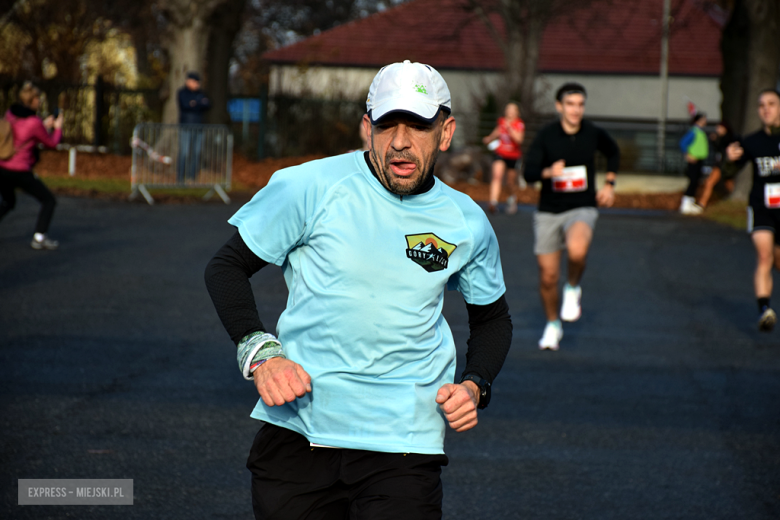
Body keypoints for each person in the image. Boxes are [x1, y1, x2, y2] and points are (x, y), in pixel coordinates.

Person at [204, 60, 512, 519]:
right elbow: (226, 267)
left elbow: (492, 318)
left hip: (405, 445)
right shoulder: (308, 186)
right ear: (368, 127)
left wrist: (474, 386)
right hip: (299, 430)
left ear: (445, 133)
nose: (401, 142)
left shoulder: (466, 219)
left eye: (420, 125)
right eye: (388, 124)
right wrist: (260, 353)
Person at [523, 82, 619, 350]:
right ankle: (553, 325)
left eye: (580, 104)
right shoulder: (546, 136)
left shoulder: (592, 133)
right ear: (559, 106)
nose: (576, 110)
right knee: (548, 277)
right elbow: (528, 173)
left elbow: (613, 152)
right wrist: (548, 173)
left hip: (582, 206)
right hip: (549, 211)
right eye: (570, 104)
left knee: (577, 250)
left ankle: (573, 287)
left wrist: (610, 184)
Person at [724, 88, 780, 332]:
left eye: (771, 104)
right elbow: (729, 172)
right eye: (761, 105)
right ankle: (764, 310)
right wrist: (729, 159)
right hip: (761, 207)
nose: (765, 109)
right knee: (764, 256)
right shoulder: (752, 141)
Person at [0, 81, 63, 250]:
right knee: (49, 200)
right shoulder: (34, 122)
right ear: (33, 101)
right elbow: (51, 143)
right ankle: (40, 236)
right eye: (38, 98)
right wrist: (57, 128)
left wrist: (43, 125)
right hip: (19, 170)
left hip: (2, 167)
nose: (40, 101)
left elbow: (21, 132)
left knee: (8, 201)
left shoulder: (11, 113)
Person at [482, 102, 525, 214]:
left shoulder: (519, 124)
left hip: (513, 156)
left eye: (512, 110)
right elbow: (498, 131)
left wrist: (510, 128)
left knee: (510, 182)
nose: (509, 112)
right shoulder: (501, 121)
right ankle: (493, 202)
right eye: (508, 109)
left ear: (517, 113)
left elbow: (519, 140)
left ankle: (512, 198)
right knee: (497, 176)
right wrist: (489, 138)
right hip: (501, 153)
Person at [177, 71, 210, 182]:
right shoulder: (182, 93)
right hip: (186, 127)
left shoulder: (201, 93)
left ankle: (192, 177)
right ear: (188, 81)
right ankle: (180, 178)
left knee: (196, 153)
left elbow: (207, 104)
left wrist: (195, 103)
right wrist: (198, 103)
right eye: (194, 82)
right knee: (185, 152)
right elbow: (186, 105)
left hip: (199, 127)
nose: (197, 84)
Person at [698, 121, 735, 208]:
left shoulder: (727, 138)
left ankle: (702, 203)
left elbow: (722, 150)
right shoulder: (722, 138)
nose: (717, 130)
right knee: (712, 182)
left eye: (720, 128)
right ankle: (702, 203)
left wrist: (715, 140)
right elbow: (718, 150)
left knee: (712, 182)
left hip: (723, 165)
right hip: (721, 165)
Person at [678, 112, 709, 215]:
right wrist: (687, 155)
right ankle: (685, 204)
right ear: (698, 120)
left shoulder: (700, 132)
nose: (705, 121)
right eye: (703, 119)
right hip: (694, 159)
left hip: (699, 159)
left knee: (696, 181)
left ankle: (690, 203)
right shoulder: (694, 131)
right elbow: (683, 143)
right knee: (692, 180)